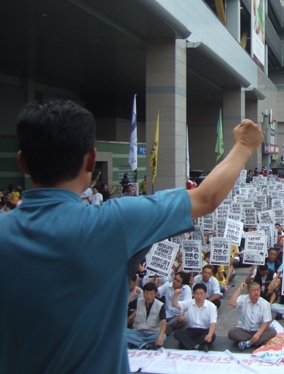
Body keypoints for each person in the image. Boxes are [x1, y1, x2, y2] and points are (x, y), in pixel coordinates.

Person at [0, 100, 263, 373]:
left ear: (23, 162)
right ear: (91, 160)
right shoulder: (113, 223)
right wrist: (244, 146)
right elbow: (206, 197)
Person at [227, 282, 276, 349]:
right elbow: (231, 303)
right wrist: (239, 289)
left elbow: (266, 322)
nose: (256, 292)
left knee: (272, 331)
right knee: (232, 333)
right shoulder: (243, 299)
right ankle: (258, 342)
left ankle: (248, 343)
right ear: (248, 291)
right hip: (244, 330)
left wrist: (258, 334)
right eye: (253, 290)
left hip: (258, 330)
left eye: (258, 290)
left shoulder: (265, 304)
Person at [172, 283, 217, 352]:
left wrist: (210, 334)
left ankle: (188, 344)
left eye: (201, 294)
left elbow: (213, 323)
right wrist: (175, 296)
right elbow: (175, 305)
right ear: (193, 294)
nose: (199, 296)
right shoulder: (189, 303)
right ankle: (197, 346)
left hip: (204, 331)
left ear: (205, 294)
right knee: (177, 333)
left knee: (212, 336)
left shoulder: (211, 306)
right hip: (191, 330)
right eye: (196, 293)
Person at [126, 282, 167, 349]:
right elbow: (125, 306)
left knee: (163, 336)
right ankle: (144, 344)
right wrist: (132, 295)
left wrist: (160, 336)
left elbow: (163, 321)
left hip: (152, 333)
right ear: (143, 293)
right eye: (147, 293)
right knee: (123, 332)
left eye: (151, 294)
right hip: (139, 331)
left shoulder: (160, 305)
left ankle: (136, 342)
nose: (148, 296)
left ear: (155, 294)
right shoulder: (138, 301)